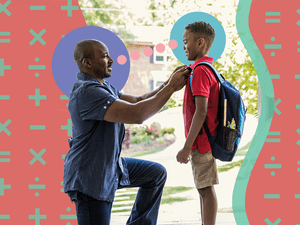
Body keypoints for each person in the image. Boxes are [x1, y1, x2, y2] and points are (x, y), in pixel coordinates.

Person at [63, 39, 190, 225]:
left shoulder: (103, 87)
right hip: (90, 176)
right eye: (105, 56)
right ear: (87, 63)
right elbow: (136, 114)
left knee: (155, 174)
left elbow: (138, 100)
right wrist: (171, 88)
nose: (111, 60)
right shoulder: (87, 92)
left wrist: (168, 84)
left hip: (110, 166)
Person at [176, 21, 219, 225]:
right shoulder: (203, 68)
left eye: (186, 42)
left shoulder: (201, 70)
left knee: (205, 189)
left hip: (201, 141)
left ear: (200, 42)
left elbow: (200, 111)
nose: (184, 47)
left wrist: (186, 147)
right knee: (203, 188)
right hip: (202, 140)